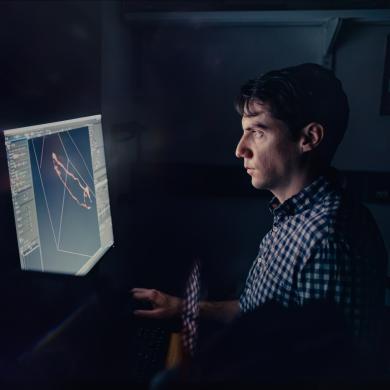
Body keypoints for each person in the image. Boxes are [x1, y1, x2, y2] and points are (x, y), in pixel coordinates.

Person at [131, 63, 387, 361]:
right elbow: (255, 309)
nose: (240, 149)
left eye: (257, 132)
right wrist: (182, 307)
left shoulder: (327, 240)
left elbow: (325, 375)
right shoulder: (295, 214)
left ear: (309, 138)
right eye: (244, 132)